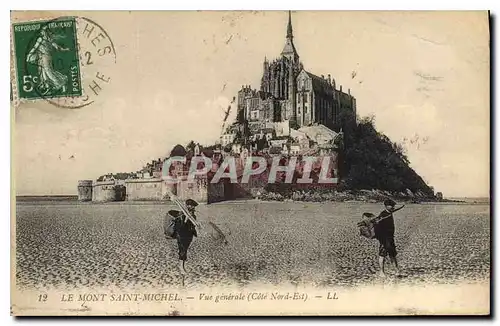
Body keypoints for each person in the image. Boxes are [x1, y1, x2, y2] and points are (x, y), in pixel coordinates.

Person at [372, 199, 405, 277]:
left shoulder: (389, 212)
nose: (393, 207)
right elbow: (377, 226)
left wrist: (401, 206)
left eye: (393, 206)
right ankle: (381, 272)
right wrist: (380, 238)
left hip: (390, 238)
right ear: (386, 206)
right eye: (391, 206)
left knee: (393, 255)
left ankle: (397, 270)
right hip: (384, 239)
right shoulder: (383, 214)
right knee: (382, 255)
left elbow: (395, 210)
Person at [175, 199, 199, 274]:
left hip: (188, 236)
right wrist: (186, 219)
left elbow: (193, 226)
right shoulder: (181, 215)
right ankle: (181, 267)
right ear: (188, 206)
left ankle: (182, 266)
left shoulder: (193, 215)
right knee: (182, 251)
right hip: (181, 235)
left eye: (194, 207)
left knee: (184, 250)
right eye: (192, 206)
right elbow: (180, 227)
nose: (194, 208)